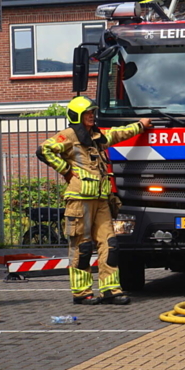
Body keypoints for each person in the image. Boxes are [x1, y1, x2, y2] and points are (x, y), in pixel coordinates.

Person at [37, 97, 152, 305]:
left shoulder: (97, 136)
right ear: (77, 116)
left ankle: (110, 290)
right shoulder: (70, 135)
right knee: (82, 247)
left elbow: (117, 133)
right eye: (88, 112)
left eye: (92, 112)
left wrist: (140, 126)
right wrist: (66, 170)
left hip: (101, 200)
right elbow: (44, 150)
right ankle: (81, 292)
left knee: (110, 244)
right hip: (79, 200)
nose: (92, 115)